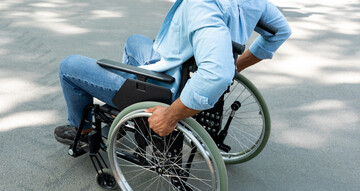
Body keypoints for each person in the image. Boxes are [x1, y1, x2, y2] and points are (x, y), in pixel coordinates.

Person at [54, 0, 291, 146]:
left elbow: (217, 74)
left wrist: (171, 115)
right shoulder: (254, 1)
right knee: (134, 41)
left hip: (167, 88)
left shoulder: (203, 6)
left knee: (68, 66)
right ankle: (130, 115)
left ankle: (82, 130)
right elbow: (280, 31)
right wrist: (235, 67)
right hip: (176, 67)